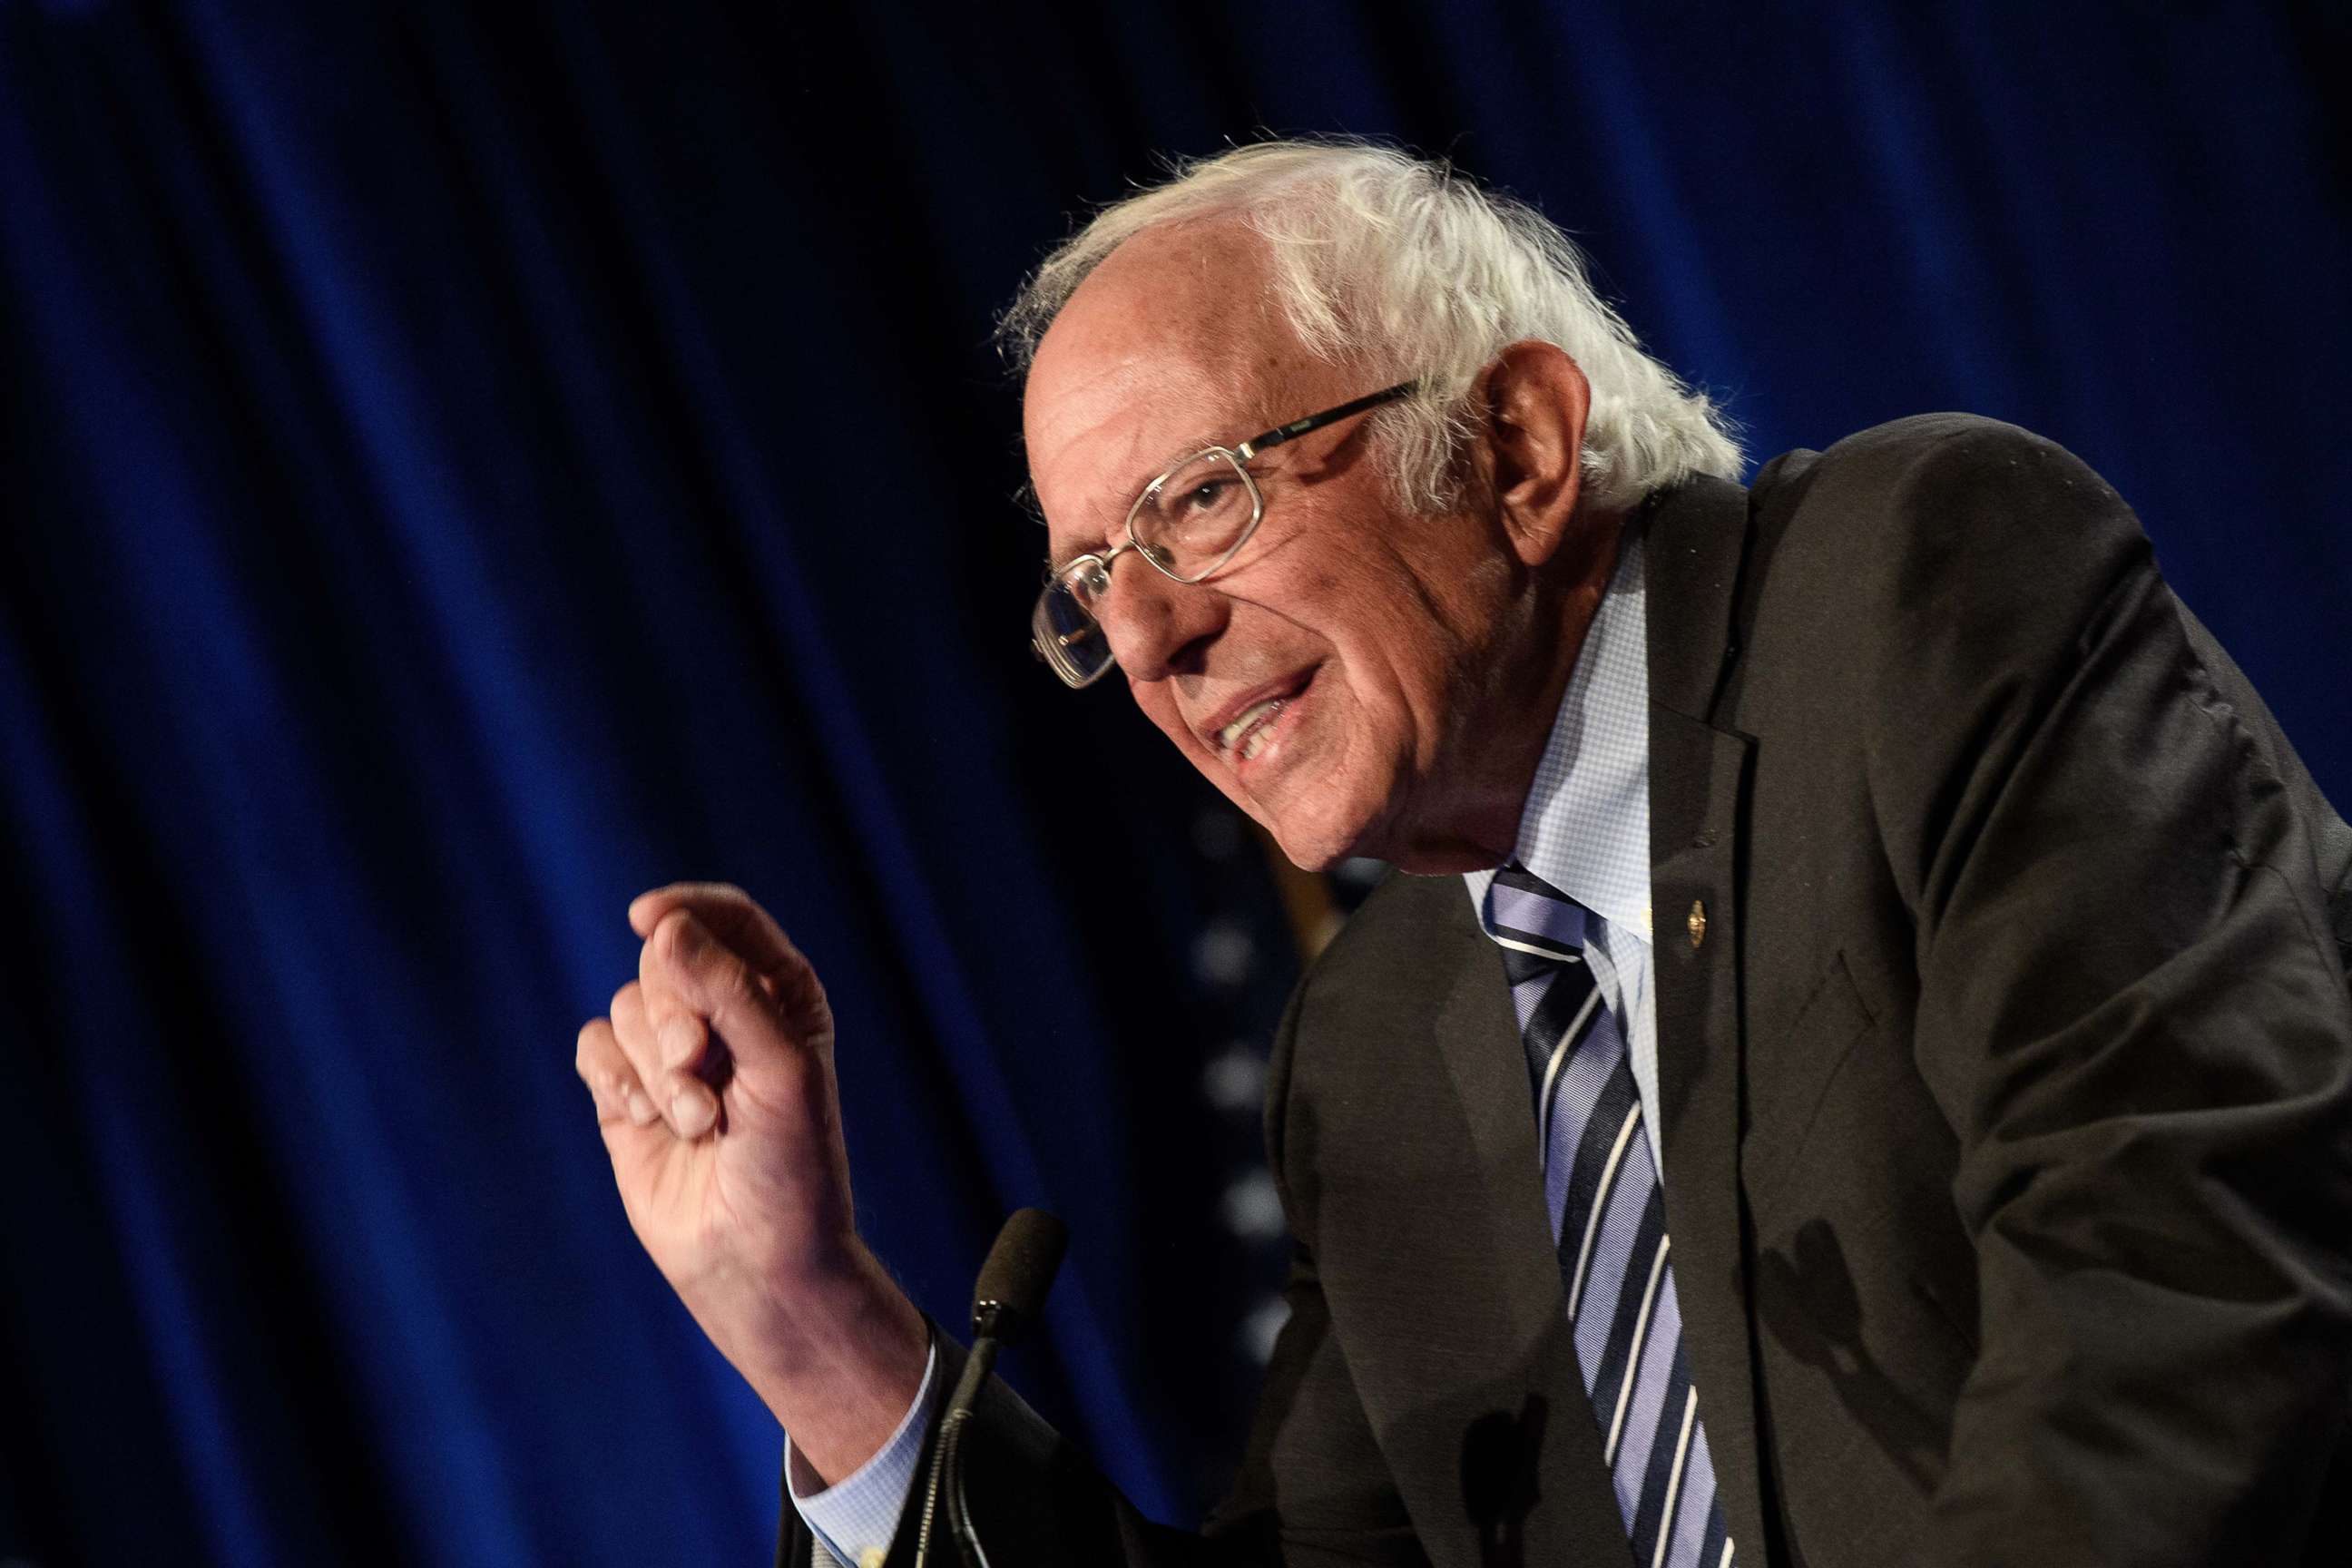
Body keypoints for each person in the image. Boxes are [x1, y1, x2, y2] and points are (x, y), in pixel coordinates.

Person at [573, 141, 2352, 1568]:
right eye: (1094, 578)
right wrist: (805, 1314)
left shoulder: (1911, 592)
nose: (1146, 644)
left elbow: (2177, 1272)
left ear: (1515, 444)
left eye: (1201, 501)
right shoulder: (1385, 1048)